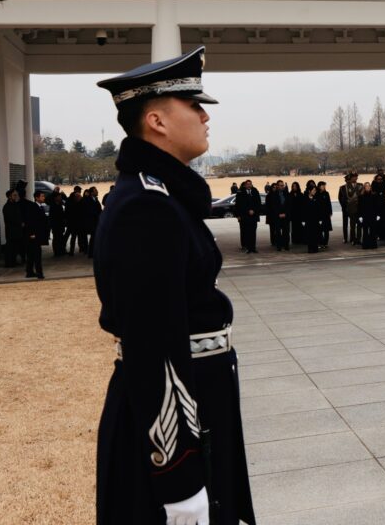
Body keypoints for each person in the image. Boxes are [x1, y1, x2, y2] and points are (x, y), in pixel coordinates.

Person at [93, 46, 257, 525]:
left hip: (202, 407)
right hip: (173, 435)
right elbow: (154, 350)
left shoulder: (163, 197)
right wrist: (179, 478)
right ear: (158, 121)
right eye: (194, 105)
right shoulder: (147, 207)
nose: (206, 116)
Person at [22, 189, 50, 279]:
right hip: (33, 235)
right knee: (37, 254)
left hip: (37, 234)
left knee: (31, 254)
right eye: (42, 196)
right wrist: (31, 233)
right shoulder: (32, 207)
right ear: (36, 197)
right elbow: (29, 221)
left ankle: (29, 272)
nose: (43, 197)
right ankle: (39, 273)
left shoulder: (40, 207)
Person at [235, 180, 261, 254]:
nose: (249, 185)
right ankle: (248, 248)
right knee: (247, 232)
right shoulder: (240, 193)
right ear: (245, 185)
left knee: (253, 232)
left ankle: (253, 248)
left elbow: (258, 203)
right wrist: (245, 212)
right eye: (247, 184)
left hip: (254, 216)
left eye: (250, 184)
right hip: (245, 216)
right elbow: (239, 205)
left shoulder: (255, 191)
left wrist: (254, 211)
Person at [2, 188, 23, 267]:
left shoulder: (16, 205)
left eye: (16, 195)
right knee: (10, 247)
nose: (16, 196)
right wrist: (19, 223)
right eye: (14, 195)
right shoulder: (7, 207)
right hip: (11, 230)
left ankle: (13, 261)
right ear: (9, 197)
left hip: (17, 230)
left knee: (15, 247)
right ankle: (9, 262)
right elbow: (10, 218)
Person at [266, 181, 290, 251]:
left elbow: (289, 205)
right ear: (277, 186)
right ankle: (279, 246)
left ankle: (286, 245)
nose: (282, 187)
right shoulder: (273, 195)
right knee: (278, 232)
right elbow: (273, 206)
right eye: (280, 185)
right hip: (277, 216)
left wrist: (285, 213)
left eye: (282, 185)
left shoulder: (287, 194)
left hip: (285, 216)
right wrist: (278, 214)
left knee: (286, 232)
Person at [359, 183, 380, 249]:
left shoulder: (374, 195)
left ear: (370, 187)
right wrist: (360, 216)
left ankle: (373, 244)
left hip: (373, 215)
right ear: (364, 188)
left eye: (369, 186)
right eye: (366, 186)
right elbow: (359, 207)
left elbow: (377, 206)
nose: (368, 187)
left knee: (373, 231)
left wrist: (378, 214)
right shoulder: (361, 196)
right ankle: (365, 245)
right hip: (365, 216)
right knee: (365, 231)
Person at [48, 188, 67, 256]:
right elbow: (48, 199)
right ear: (55, 198)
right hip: (55, 225)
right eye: (59, 197)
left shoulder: (60, 204)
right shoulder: (53, 205)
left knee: (61, 238)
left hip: (61, 224)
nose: (60, 198)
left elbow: (67, 202)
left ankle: (61, 250)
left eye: (60, 197)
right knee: (56, 238)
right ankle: (56, 252)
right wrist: (54, 192)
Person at [316, 181, 332, 250]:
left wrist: (330, 212)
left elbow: (329, 203)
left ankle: (325, 243)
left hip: (326, 214)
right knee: (319, 230)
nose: (324, 187)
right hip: (319, 214)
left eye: (324, 186)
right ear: (319, 186)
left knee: (326, 230)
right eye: (322, 186)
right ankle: (320, 242)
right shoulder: (316, 194)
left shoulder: (326, 193)